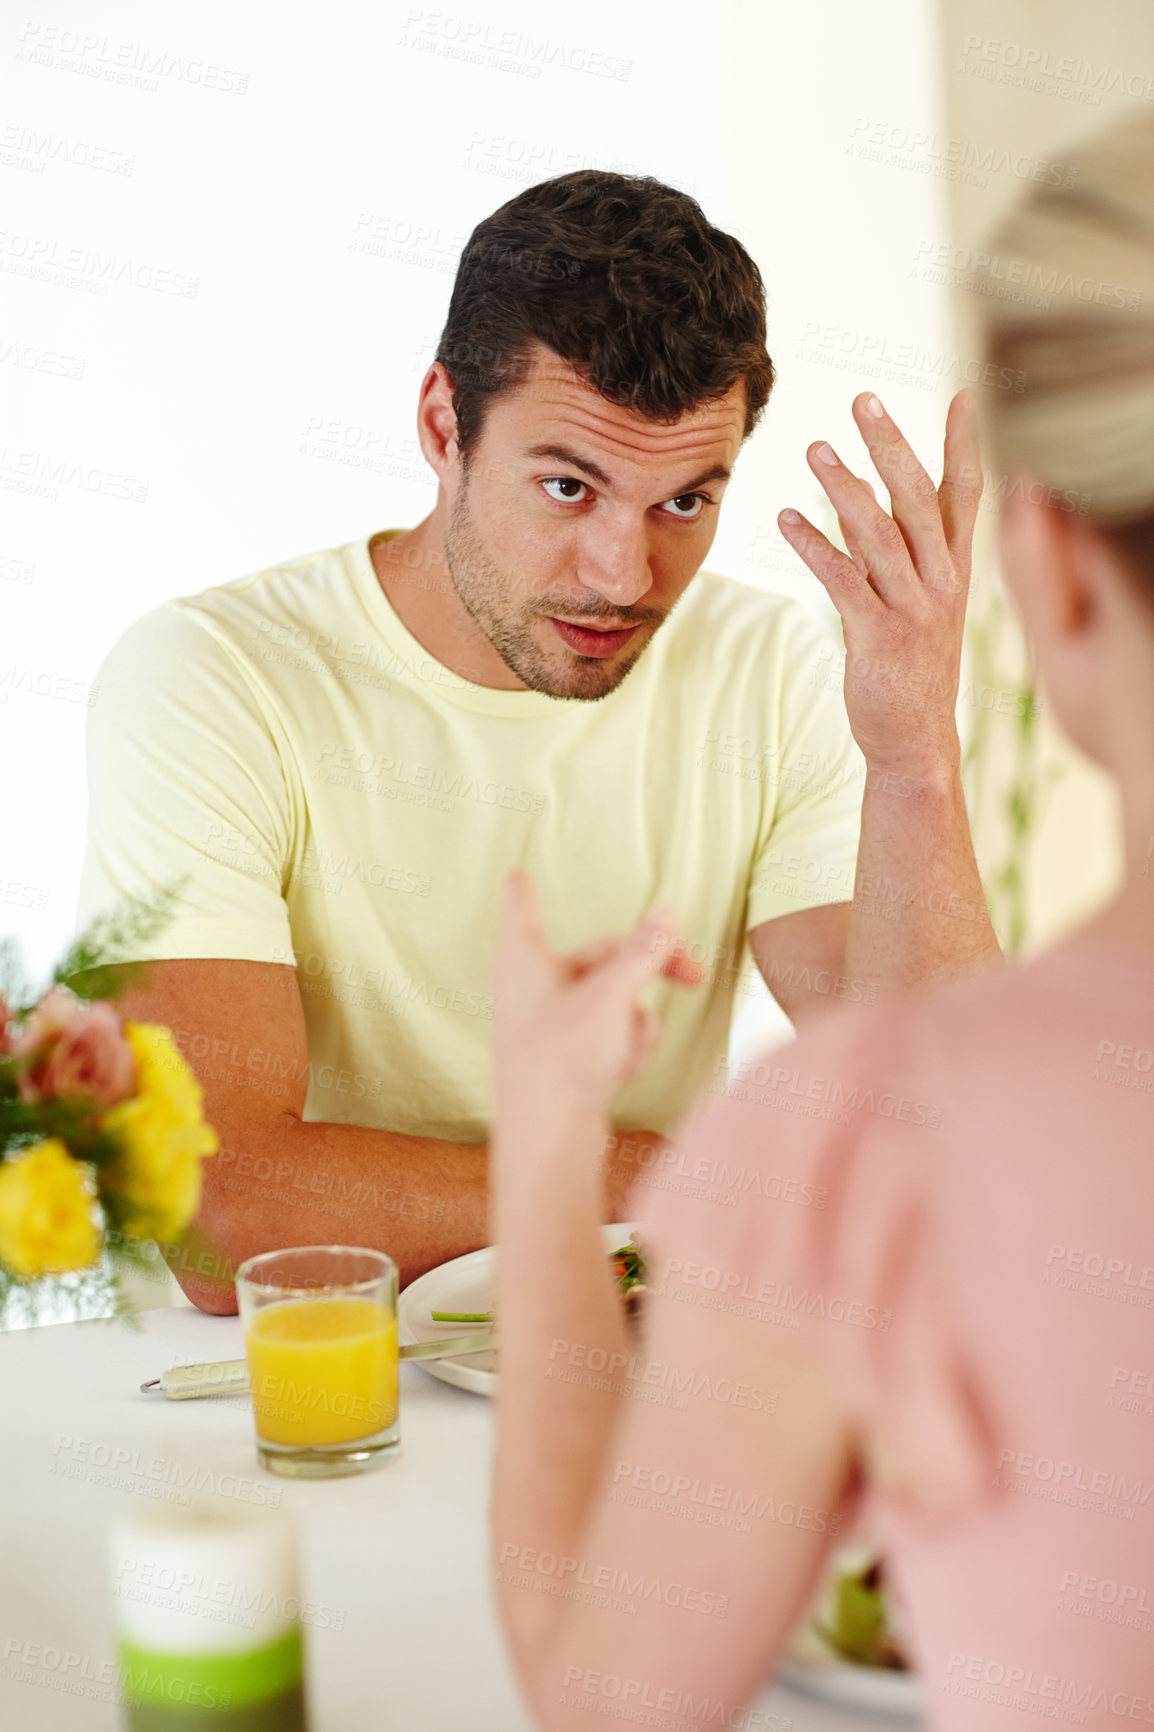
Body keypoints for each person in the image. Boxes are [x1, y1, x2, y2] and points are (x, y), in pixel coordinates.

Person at [488, 112, 1154, 1727]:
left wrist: (546, 1132)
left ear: (1047, 566)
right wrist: (907, 752)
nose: (621, 564)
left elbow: (603, 1699)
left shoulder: (870, 1144)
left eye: (682, 499)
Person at [78, 171, 998, 1311]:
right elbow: (223, 1217)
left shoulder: (769, 671)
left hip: (621, 1371)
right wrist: (654, 1174)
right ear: (440, 424)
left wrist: (914, 759)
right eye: (569, 485)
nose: (621, 576)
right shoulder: (213, 679)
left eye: (683, 503)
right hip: (288, 1395)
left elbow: (950, 1134)